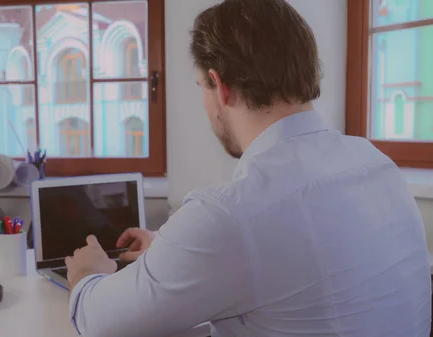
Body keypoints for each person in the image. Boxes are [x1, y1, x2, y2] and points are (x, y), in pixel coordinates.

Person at [65, 0, 432, 336]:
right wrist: (169, 250)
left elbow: (100, 324)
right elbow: (298, 257)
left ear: (219, 86)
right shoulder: (376, 164)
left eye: (201, 88)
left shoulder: (230, 214)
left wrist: (87, 274)